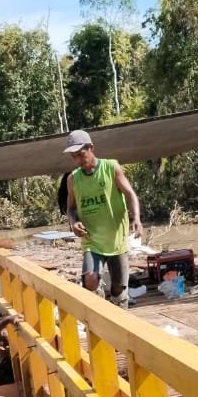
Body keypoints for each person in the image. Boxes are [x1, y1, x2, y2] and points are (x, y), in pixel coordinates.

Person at [62, 129, 144, 307]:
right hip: (92, 240)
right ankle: (99, 311)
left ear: (91, 148)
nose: (77, 160)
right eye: (73, 157)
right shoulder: (73, 179)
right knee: (90, 280)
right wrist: (74, 222)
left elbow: (130, 194)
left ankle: (119, 308)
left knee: (118, 287)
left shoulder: (111, 167)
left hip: (116, 240)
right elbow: (71, 207)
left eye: (80, 154)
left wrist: (136, 218)